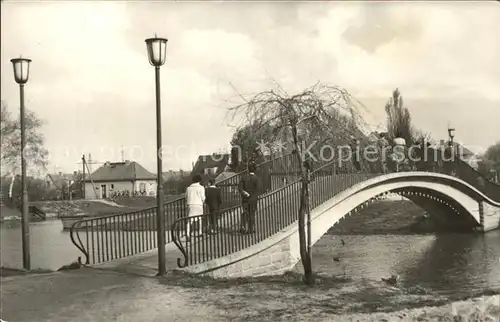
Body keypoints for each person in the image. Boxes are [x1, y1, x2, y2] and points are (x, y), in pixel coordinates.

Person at [238, 163, 261, 234]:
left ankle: (243, 225)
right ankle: (251, 229)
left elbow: (240, 188)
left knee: (245, 212)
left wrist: (244, 193)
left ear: (248, 169)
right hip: (253, 199)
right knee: (252, 214)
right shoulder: (256, 178)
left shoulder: (243, 177)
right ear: (255, 170)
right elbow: (258, 190)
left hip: (245, 199)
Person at [185, 174, 205, 240]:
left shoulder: (188, 188)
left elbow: (186, 197)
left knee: (189, 220)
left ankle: (187, 234)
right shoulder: (201, 187)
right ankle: (200, 232)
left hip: (190, 204)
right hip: (198, 204)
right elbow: (203, 197)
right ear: (199, 180)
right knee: (199, 219)